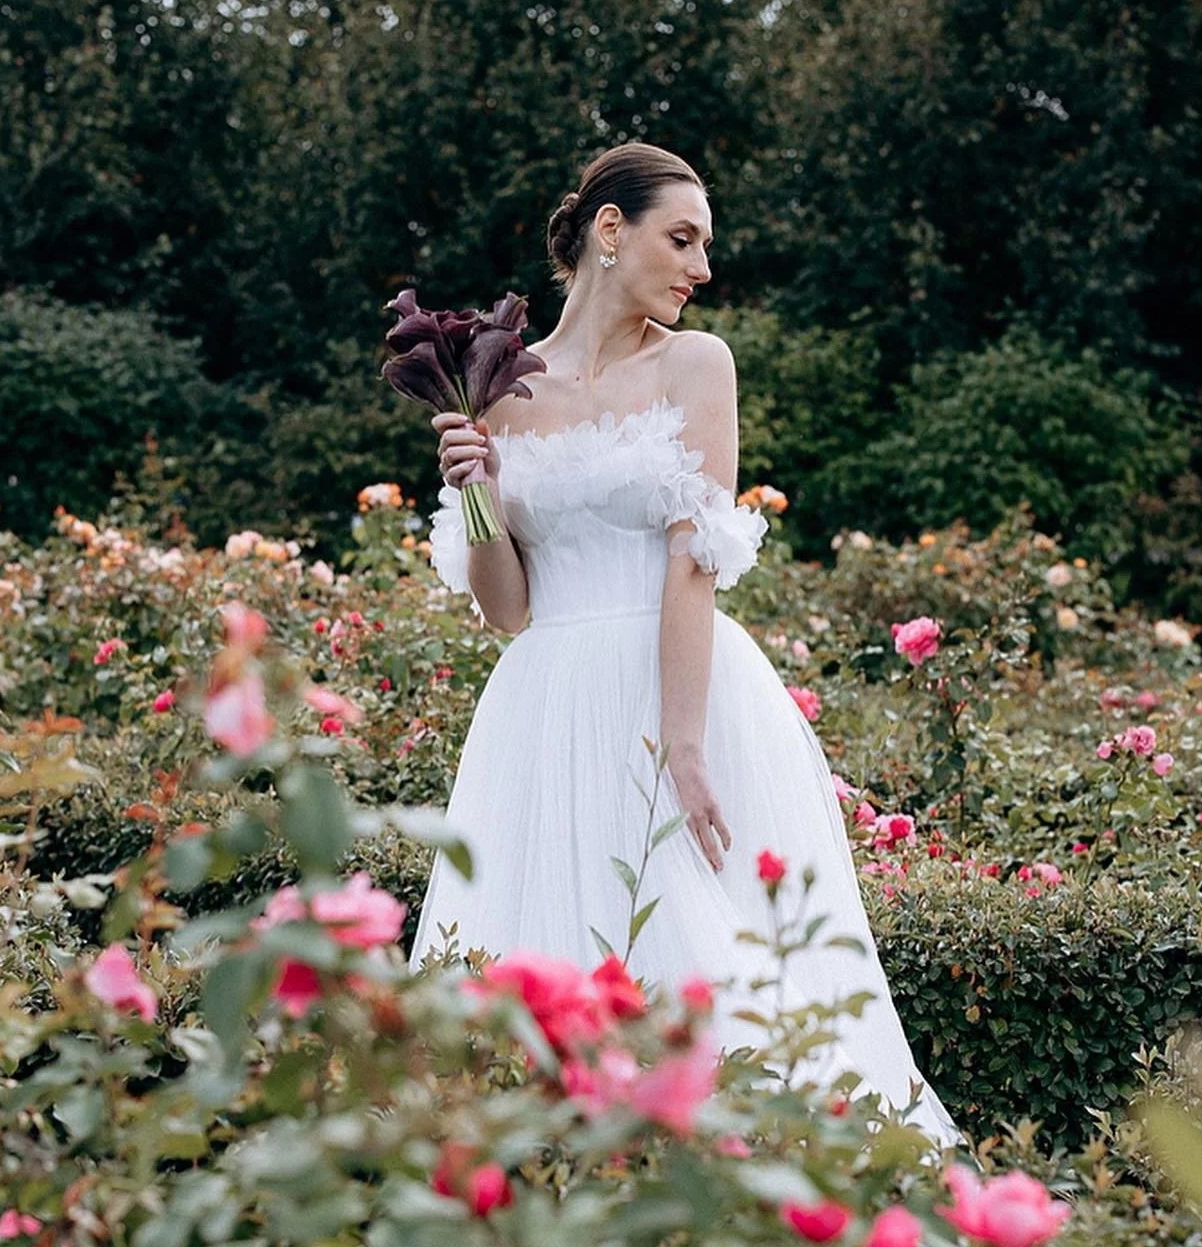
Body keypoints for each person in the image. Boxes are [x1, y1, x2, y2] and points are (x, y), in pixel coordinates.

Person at [409, 141, 958, 1145]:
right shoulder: (497, 383)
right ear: (609, 233)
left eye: (703, 245)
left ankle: (758, 1184)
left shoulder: (695, 365)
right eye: (683, 238)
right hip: (543, 708)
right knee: (543, 965)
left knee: (700, 958)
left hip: (678, 692)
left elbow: (692, 561)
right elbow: (507, 610)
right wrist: (477, 493)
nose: (701, 268)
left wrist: (684, 741)